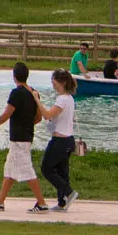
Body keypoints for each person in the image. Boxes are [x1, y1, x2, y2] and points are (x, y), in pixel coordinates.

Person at [0, 61, 50, 214]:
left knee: (27, 171)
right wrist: (27, 123)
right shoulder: (34, 92)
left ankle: (42, 204)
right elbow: (38, 118)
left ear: (14, 77)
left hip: (19, 138)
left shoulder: (16, 93)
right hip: (26, 136)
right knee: (10, 169)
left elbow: (6, 114)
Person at [37, 69, 79, 212]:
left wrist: (37, 101)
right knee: (62, 171)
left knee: (46, 168)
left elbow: (47, 115)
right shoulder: (70, 99)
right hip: (68, 140)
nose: (52, 85)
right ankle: (62, 203)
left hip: (60, 140)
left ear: (62, 82)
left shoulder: (62, 100)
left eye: (54, 82)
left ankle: (68, 192)